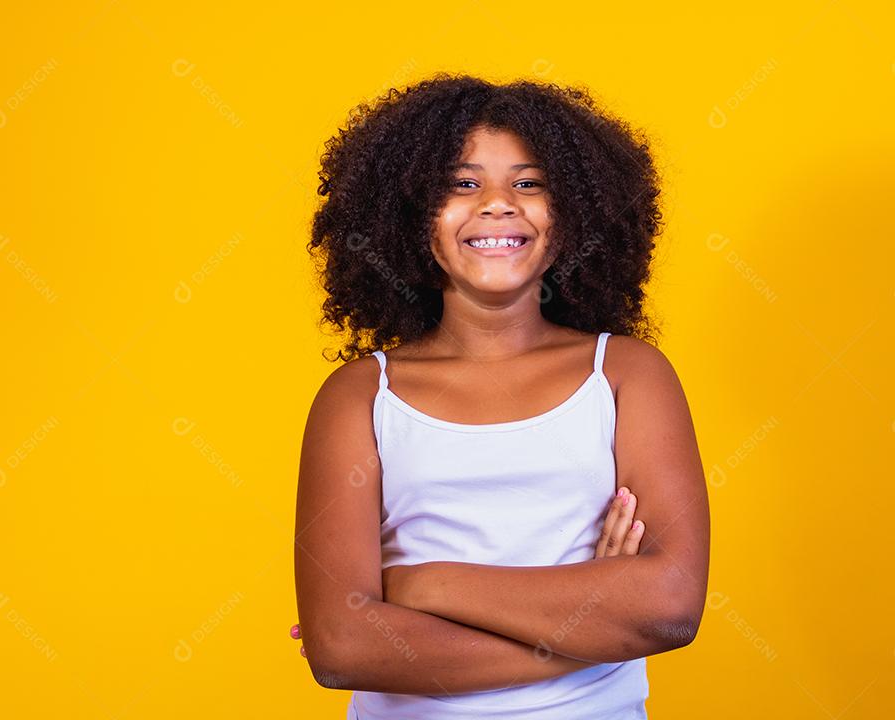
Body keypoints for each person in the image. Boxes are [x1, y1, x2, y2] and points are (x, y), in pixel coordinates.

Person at [294, 73, 710, 719]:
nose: (496, 204)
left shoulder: (625, 374)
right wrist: (591, 628)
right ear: (409, 214)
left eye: (529, 183)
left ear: (573, 212)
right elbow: (342, 646)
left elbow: (669, 605)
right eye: (462, 184)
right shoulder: (361, 396)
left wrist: (417, 585)